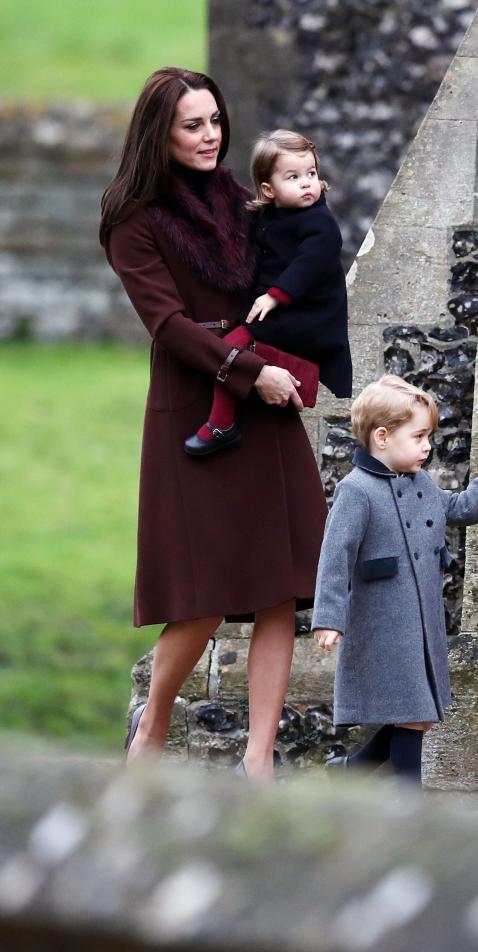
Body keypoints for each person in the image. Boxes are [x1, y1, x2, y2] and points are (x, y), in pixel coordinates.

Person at [100, 68, 330, 780]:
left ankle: (258, 760)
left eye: (214, 121)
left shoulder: (242, 200)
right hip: (194, 409)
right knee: (199, 601)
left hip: (264, 403)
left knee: (277, 591)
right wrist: (246, 373)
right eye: (192, 125)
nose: (210, 136)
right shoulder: (132, 221)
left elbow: (304, 249)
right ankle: (156, 719)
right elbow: (166, 325)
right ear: (159, 135)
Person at [312, 376, 478, 786]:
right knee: (411, 714)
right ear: (383, 437)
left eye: (429, 436)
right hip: (383, 624)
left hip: (423, 626)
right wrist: (329, 618)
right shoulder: (357, 491)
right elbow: (335, 556)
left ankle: (351, 772)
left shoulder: (419, 483)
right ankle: (410, 810)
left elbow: (463, 508)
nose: (427, 446)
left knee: (417, 715)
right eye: (419, 436)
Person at [185, 128, 352, 456]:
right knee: (239, 349)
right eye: (293, 176)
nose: (306, 182)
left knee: (233, 348)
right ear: (268, 189)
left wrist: (276, 294)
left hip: (308, 314)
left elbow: (310, 262)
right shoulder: (268, 216)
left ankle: (221, 424)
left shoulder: (320, 224)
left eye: (312, 173)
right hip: (282, 310)